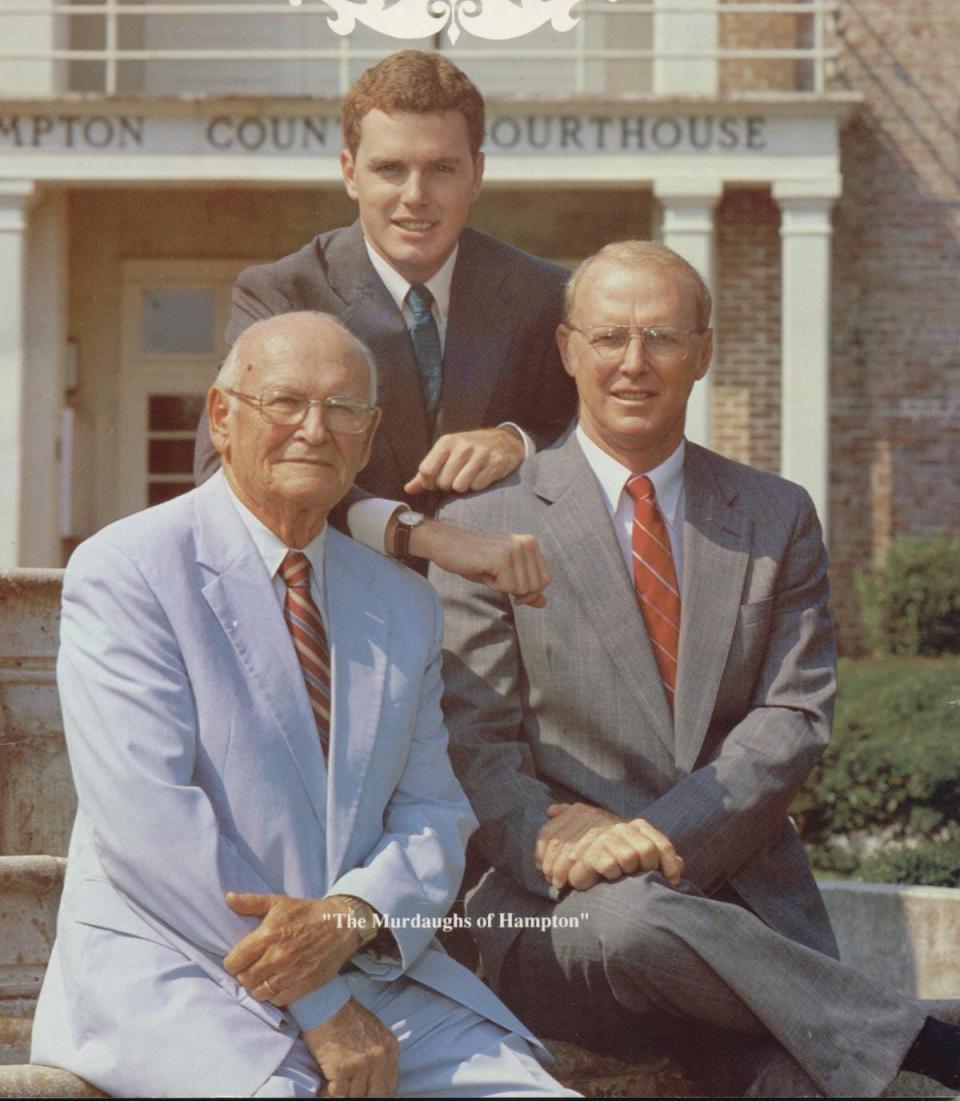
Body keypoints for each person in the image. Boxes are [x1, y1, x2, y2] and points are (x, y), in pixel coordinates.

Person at [432, 241, 960, 1097]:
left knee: (799, 1084)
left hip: (743, 913)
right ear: (568, 350)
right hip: (555, 916)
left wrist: (664, 837)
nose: (633, 363)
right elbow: (474, 742)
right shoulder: (483, 525)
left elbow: (794, 717)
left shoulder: (776, 514)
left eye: (662, 338)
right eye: (609, 338)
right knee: (637, 917)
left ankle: (873, 1047)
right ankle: (925, 1041)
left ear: (704, 353)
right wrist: (569, 847)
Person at [31, 312, 576, 1098]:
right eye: (285, 402)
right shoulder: (129, 570)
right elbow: (150, 824)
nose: (313, 430)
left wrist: (352, 918)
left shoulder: (403, 603)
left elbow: (432, 813)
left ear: (368, 436)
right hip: (180, 970)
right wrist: (318, 1000)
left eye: (343, 409)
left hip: (370, 972)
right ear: (222, 416)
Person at [193, 49, 575, 598]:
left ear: (477, 174)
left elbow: (600, 437)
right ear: (351, 173)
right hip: (336, 607)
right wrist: (415, 534)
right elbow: (223, 462)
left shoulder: (544, 295)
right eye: (390, 169)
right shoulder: (283, 292)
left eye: (442, 168)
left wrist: (518, 440)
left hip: (506, 619)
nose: (415, 196)